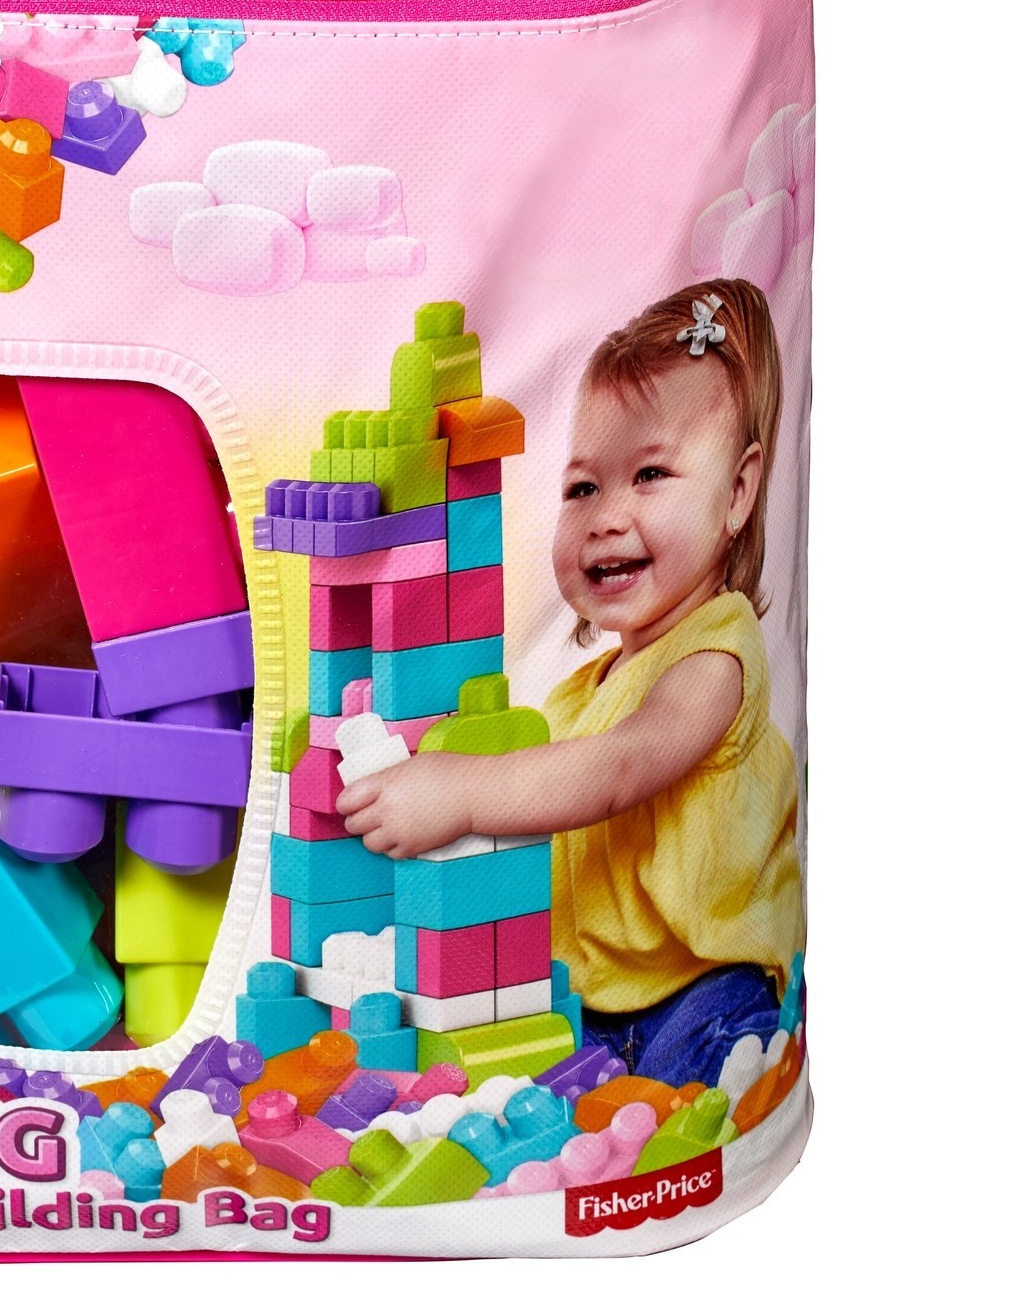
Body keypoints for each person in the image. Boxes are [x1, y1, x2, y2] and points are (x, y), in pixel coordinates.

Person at [338, 279, 804, 1087]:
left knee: (696, 1091)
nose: (606, 516)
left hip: (705, 989)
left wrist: (464, 793)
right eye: (583, 487)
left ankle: (741, 1065)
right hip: (588, 1001)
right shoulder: (579, 696)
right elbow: (550, 794)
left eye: (650, 474)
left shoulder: (715, 660)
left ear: (737, 493)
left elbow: (619, 768)